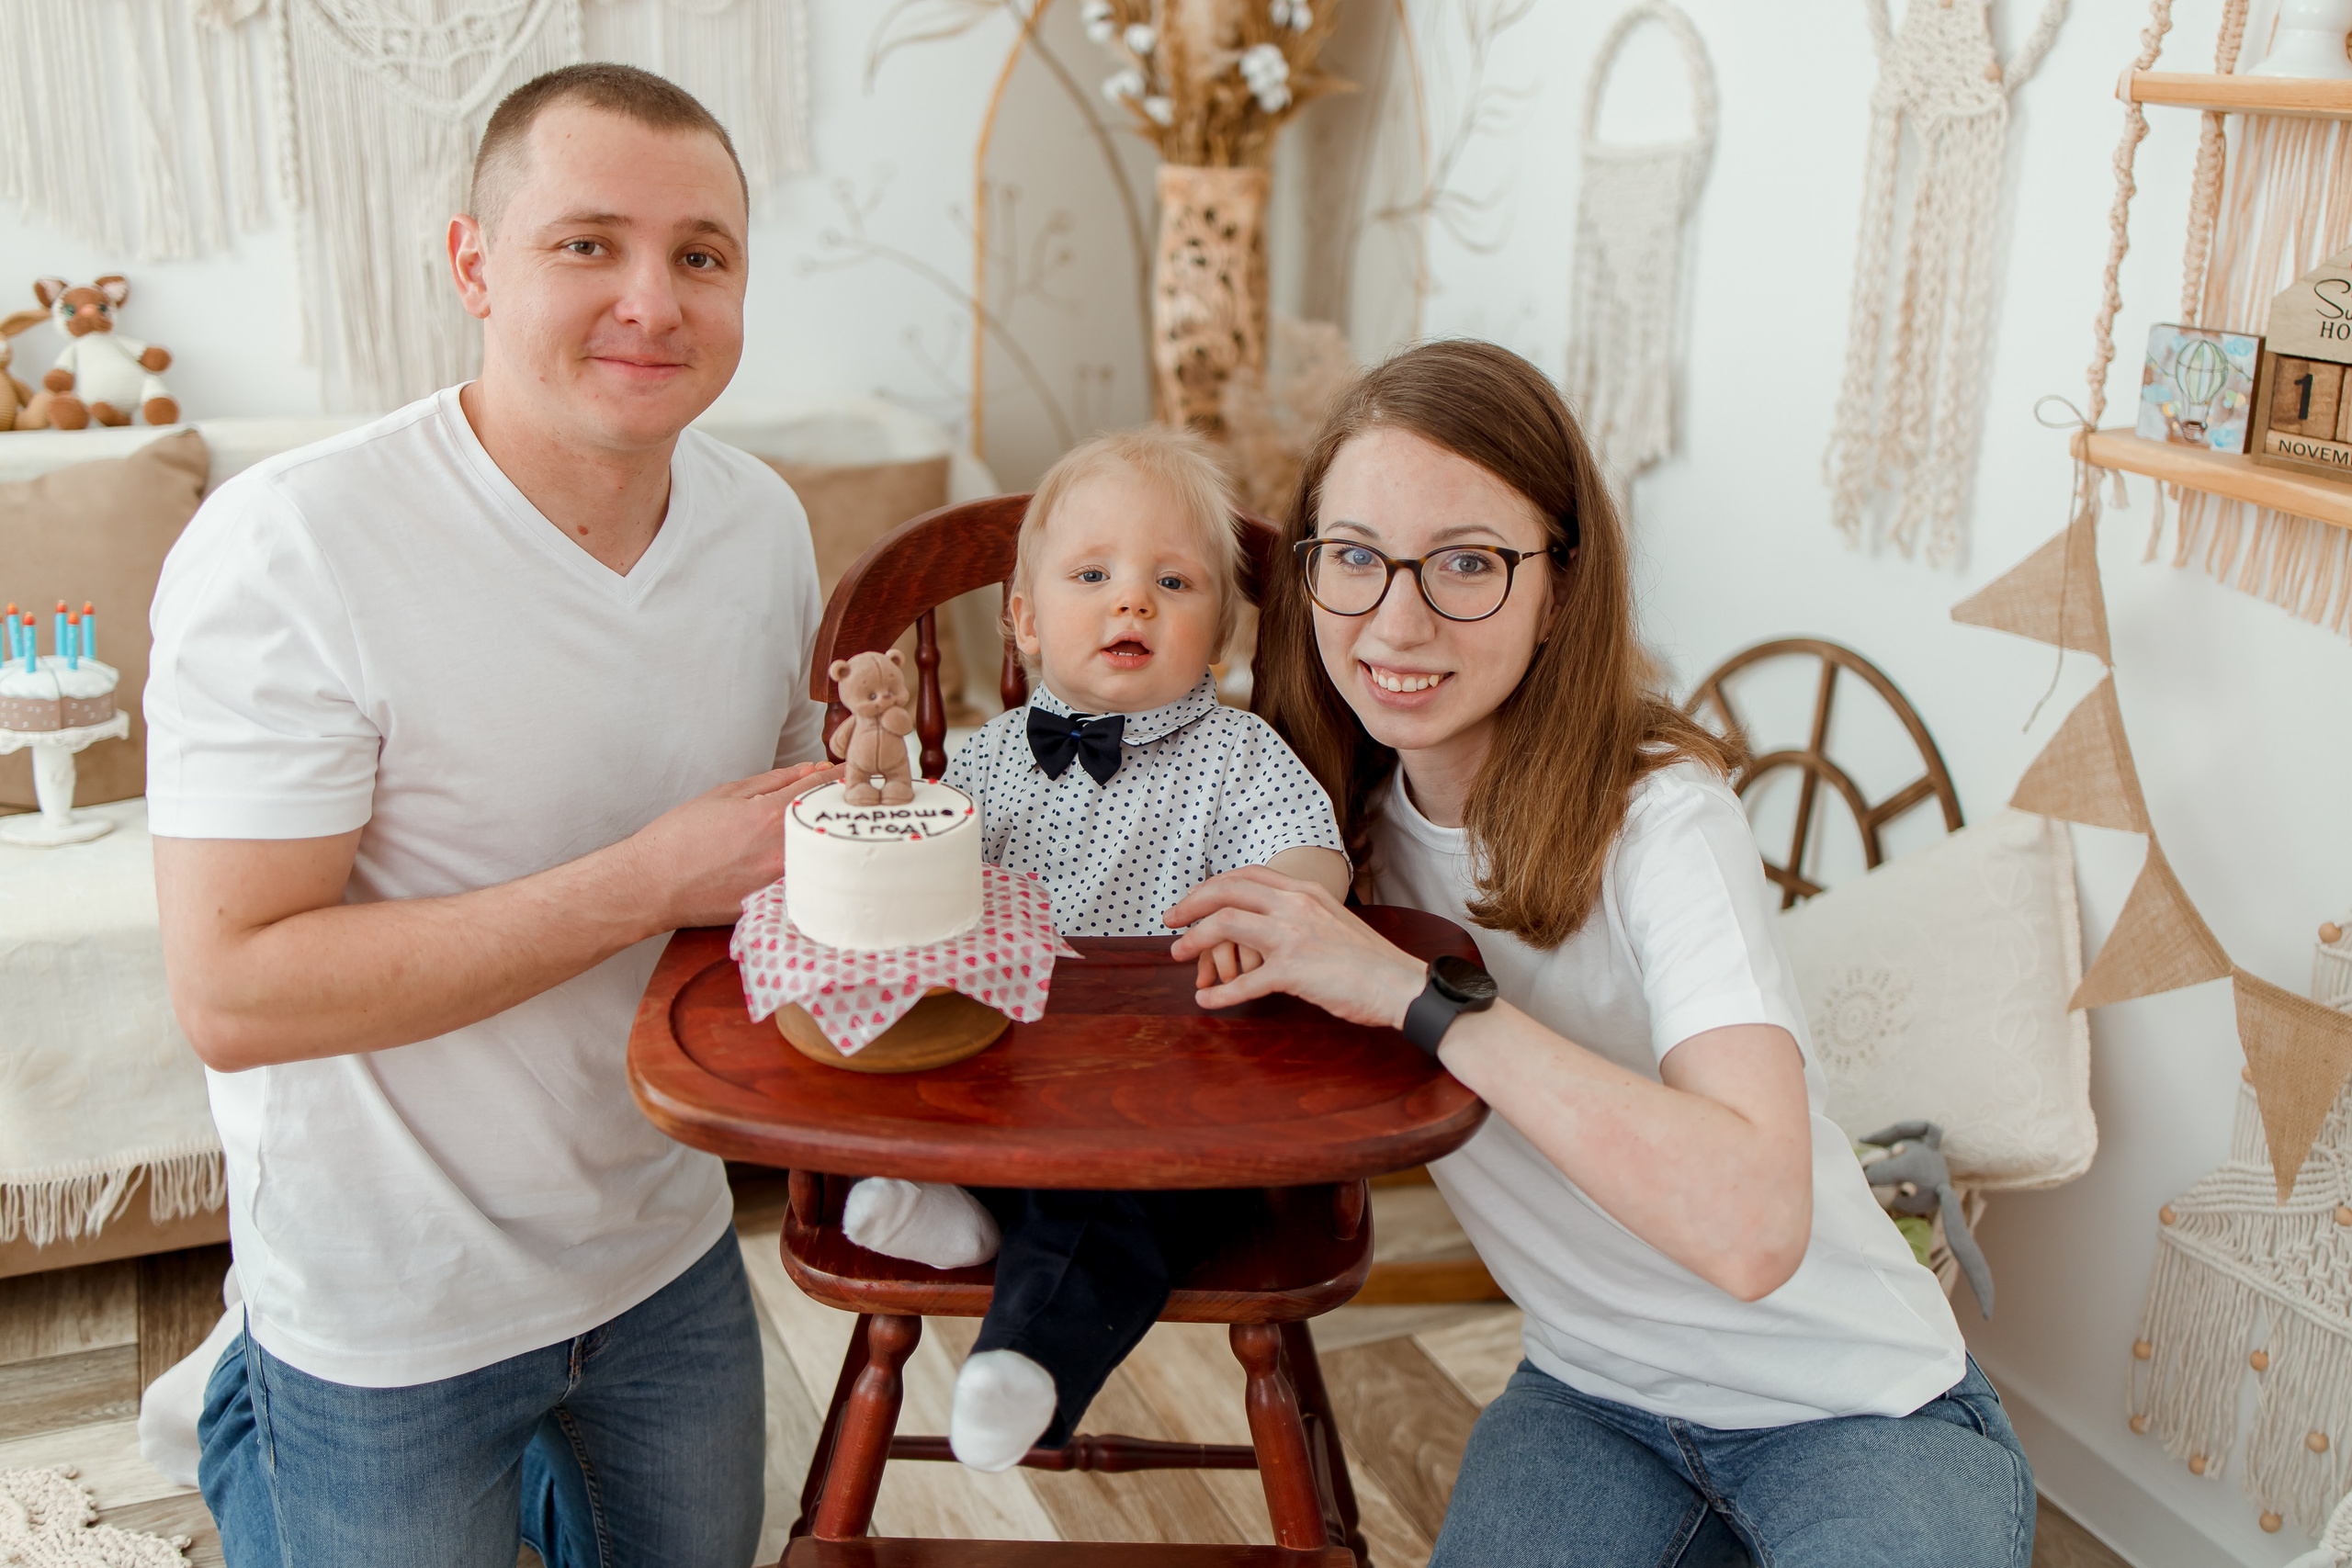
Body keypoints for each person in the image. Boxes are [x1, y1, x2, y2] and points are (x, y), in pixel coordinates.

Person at [1164, 340, 2036, 1568]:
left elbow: (1752, 1227)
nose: (1396, 619)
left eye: (1466, 562)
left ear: (1560, 585)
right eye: (1354, 557)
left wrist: (1423, 999)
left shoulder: (1666, 817)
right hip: (1592, 1398)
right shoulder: (1314, 826)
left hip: (1854, 1402)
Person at [147, 64, 831, 1568]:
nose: (653, 300)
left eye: (701, 256)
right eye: (587, 243)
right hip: (387, 1291)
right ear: (474, 263)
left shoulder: (763, 521)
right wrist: (653, 877)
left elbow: (782, 844)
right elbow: (233, 990)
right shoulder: (292, 544)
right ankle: (249, 1405)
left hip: (660, 1238)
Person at [838, 425, 1350, 1472]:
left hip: (1180, 1103)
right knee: (943, 1091)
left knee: (1116, 1201)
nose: (1133, 601)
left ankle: (1023, 1363)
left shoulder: (1240, 756)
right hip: (1009, 1080)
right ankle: (971, 1213)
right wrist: (891, 823)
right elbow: (923, 888)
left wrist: (1273, 905)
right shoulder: (983, 758)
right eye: (1092, 575)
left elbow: (1313, 866)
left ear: (1220, 624)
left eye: (1173, 579)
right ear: (1024, 622)